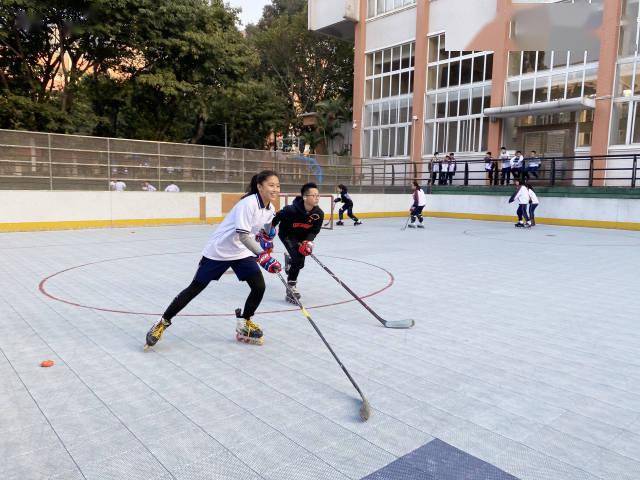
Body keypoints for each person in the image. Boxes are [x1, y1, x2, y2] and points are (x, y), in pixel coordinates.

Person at [144, 170, 282, 349]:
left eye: (278, 185)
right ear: (259, 186)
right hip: (219, 251)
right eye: (271, 185)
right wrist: (262, 255)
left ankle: (244, 321)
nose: (275, 189)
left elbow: (264, 227)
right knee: (195, 288)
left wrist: (268, 233)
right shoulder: (247, 204)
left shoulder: (270, 208)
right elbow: (243, 235)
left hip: (241, 252)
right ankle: (162, 323)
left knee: (259, 286)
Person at [272, 182, 324, 304]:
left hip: (302, 238)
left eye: (318, 195)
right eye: (313, 195)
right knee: (297, 257)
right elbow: (276, 217)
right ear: (305, 197)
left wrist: (308, 242)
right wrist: (268, 230)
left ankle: (290, 263)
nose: (316, 198)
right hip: (287, 235)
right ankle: (291, 288)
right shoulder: (291, 210)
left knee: (300, 263)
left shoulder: (318, 214)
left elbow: (315, 230)